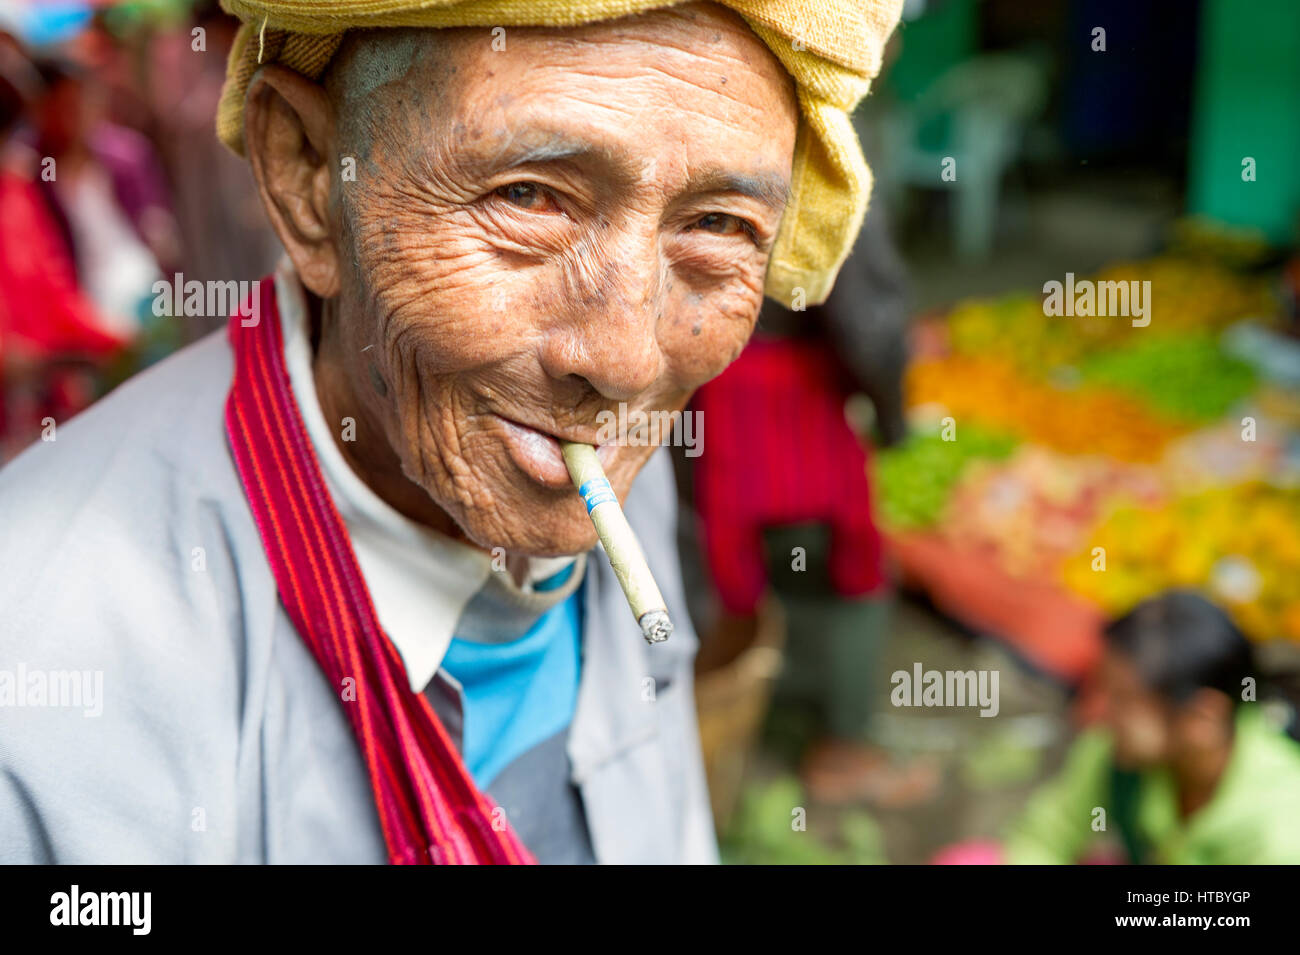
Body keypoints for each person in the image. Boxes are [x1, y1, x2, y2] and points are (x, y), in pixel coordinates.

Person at [0, 1, 905, 864]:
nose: (627, 359)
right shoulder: (42, 676)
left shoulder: (602, 448)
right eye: (532, 197)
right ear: (308, 174)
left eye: (716, 225)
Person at [1003, 591, 1300, 864]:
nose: (1092, 714)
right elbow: (1044, 837)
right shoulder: (1111, 754)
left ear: (1203, 718)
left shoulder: (1279, 831)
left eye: (1122, 699)